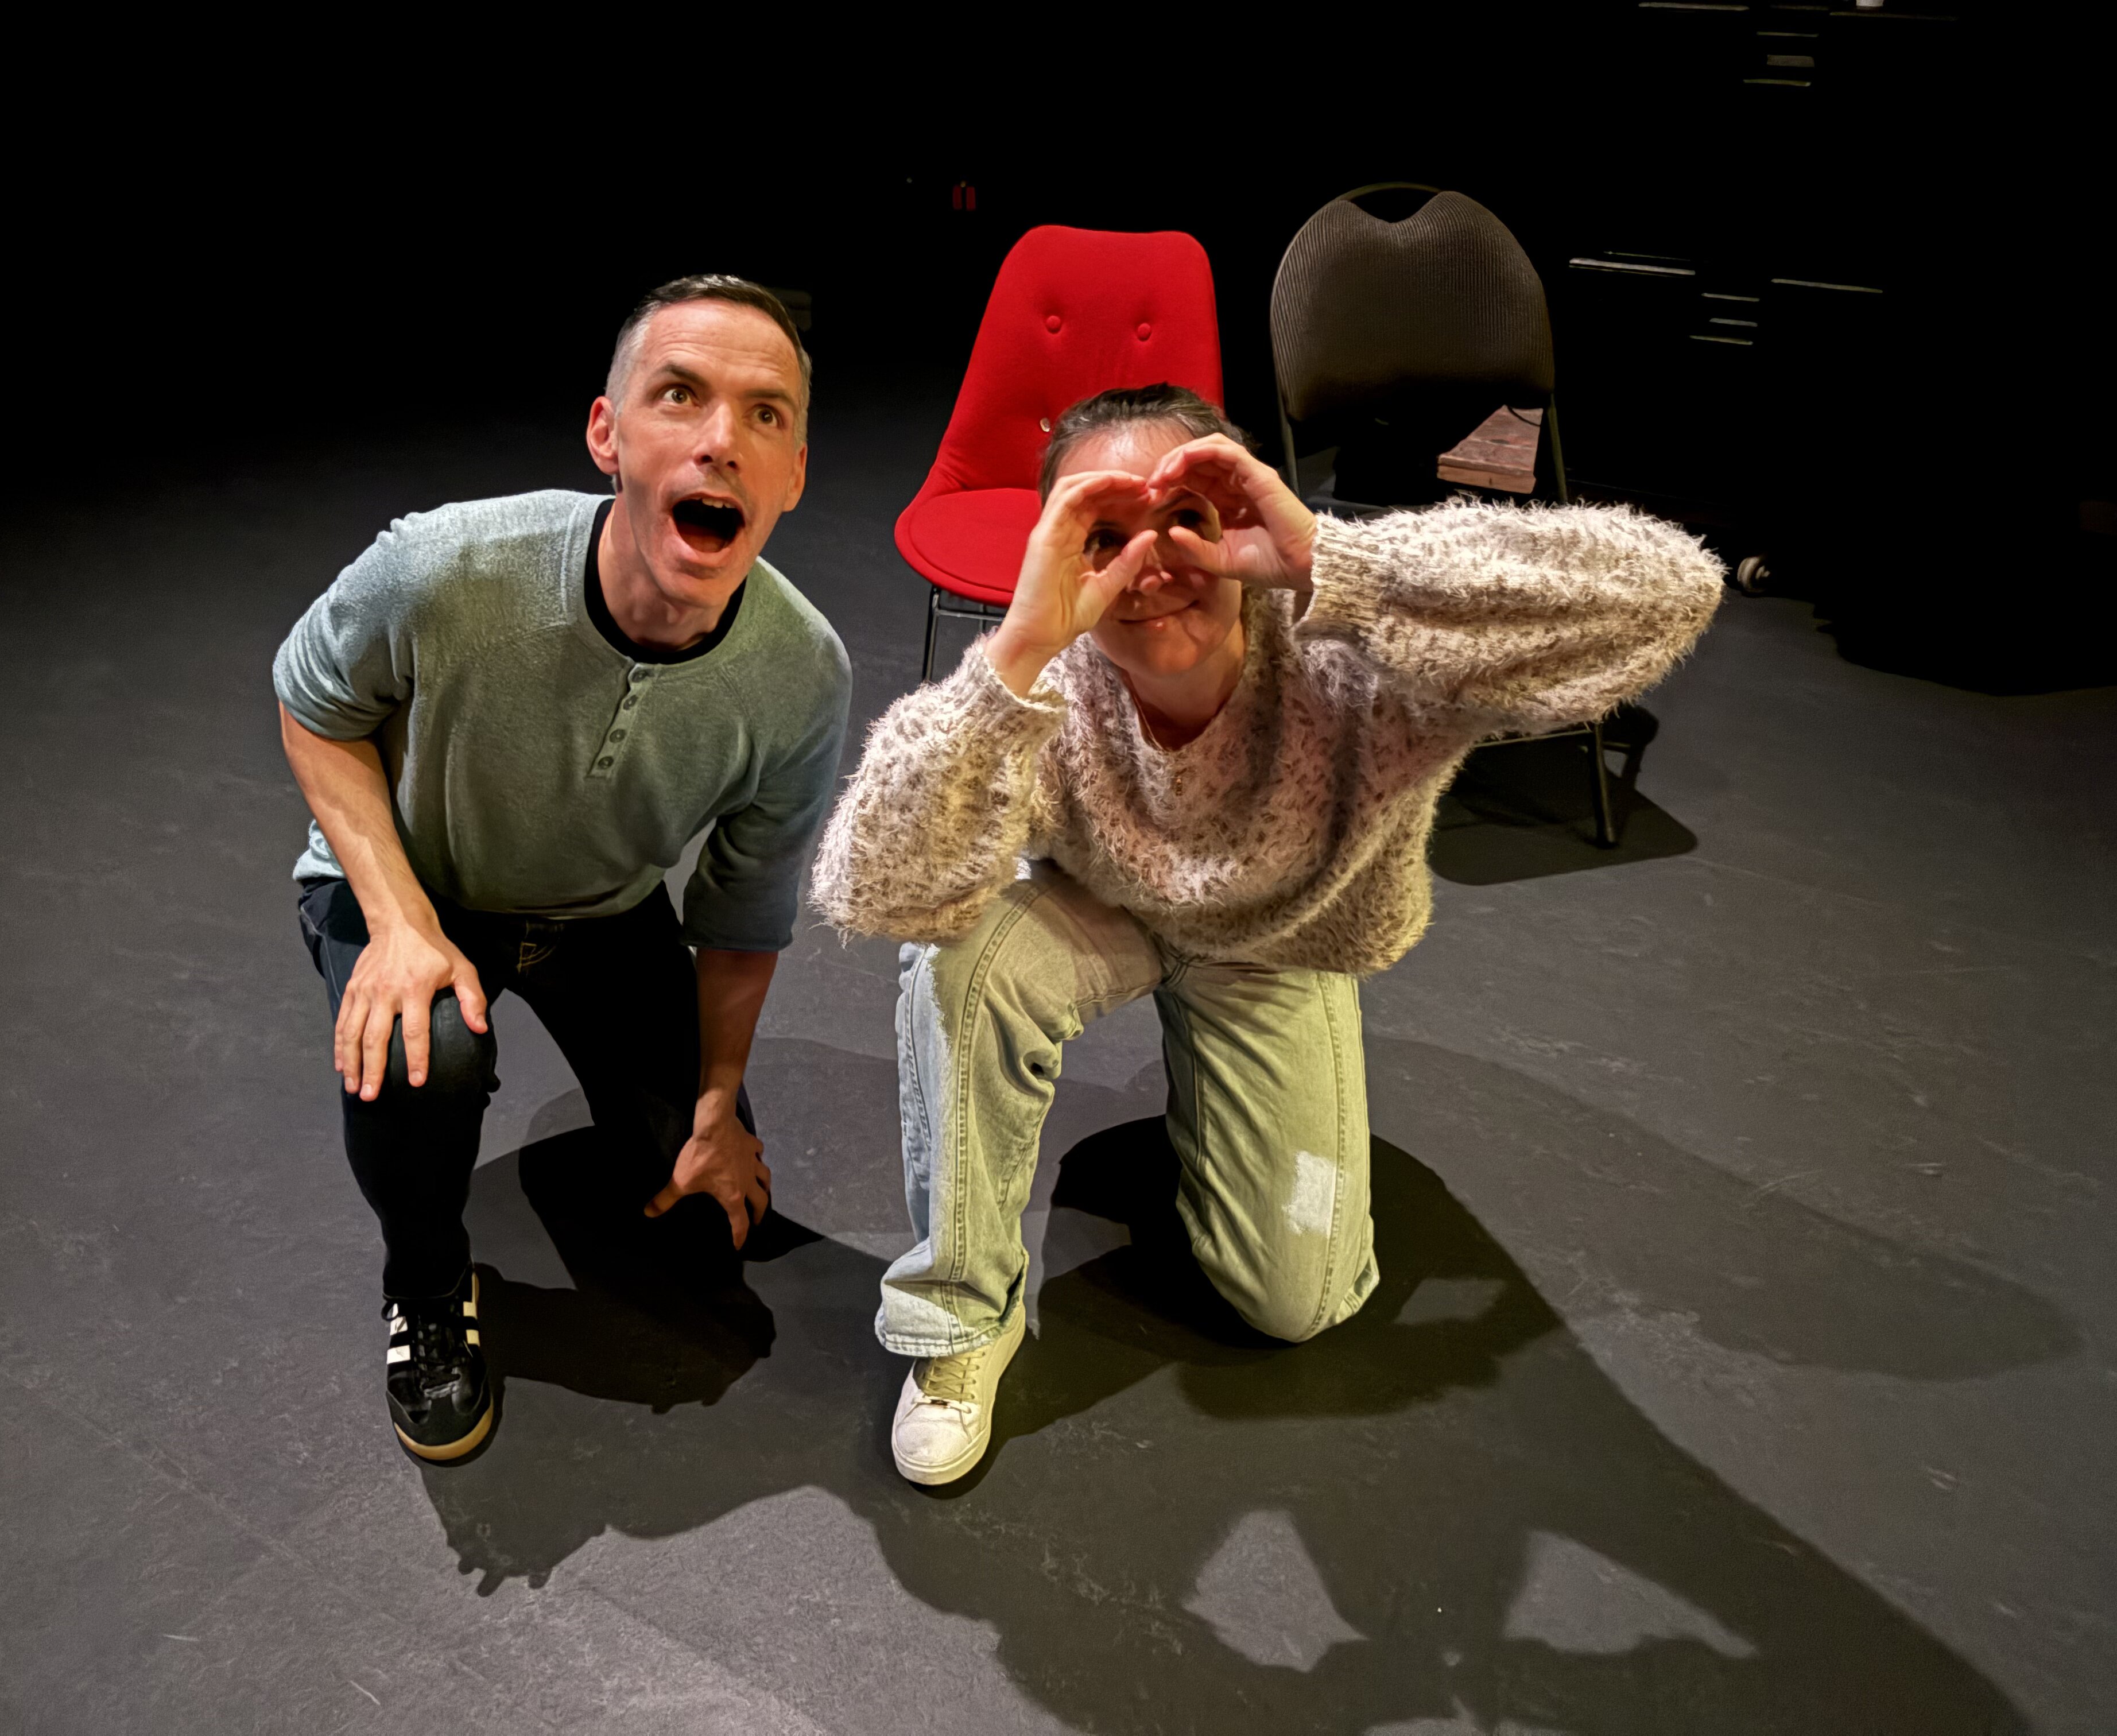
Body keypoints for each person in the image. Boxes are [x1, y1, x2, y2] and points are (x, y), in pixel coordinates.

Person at [812, 383, 1723, 1486]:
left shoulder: (1357, 657)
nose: (1152, 566)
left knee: (1296, 1304)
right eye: (1105, 535)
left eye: (1185, 520)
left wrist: (1331, 559)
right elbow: (869, 891)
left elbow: (1669, 593)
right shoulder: (1047, 679)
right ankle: (960, 1318)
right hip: (1104, 911)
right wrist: (1012, 656)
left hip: (1277, 946)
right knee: (960, 958)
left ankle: (1220, 1092)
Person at [274, 277, 850, 1464]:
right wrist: (397, 921)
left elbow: (743, 912)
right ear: (607, 434)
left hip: (601, 910)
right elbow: (312, 701)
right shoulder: (447, 568)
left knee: (705, 1226)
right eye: (679, 395)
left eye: (766, 415)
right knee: (425, 1051)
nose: (721, 441)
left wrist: (716, 1101)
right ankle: (427, 1287)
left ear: (794, 474)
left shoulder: (802, 675)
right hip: (418, 885)